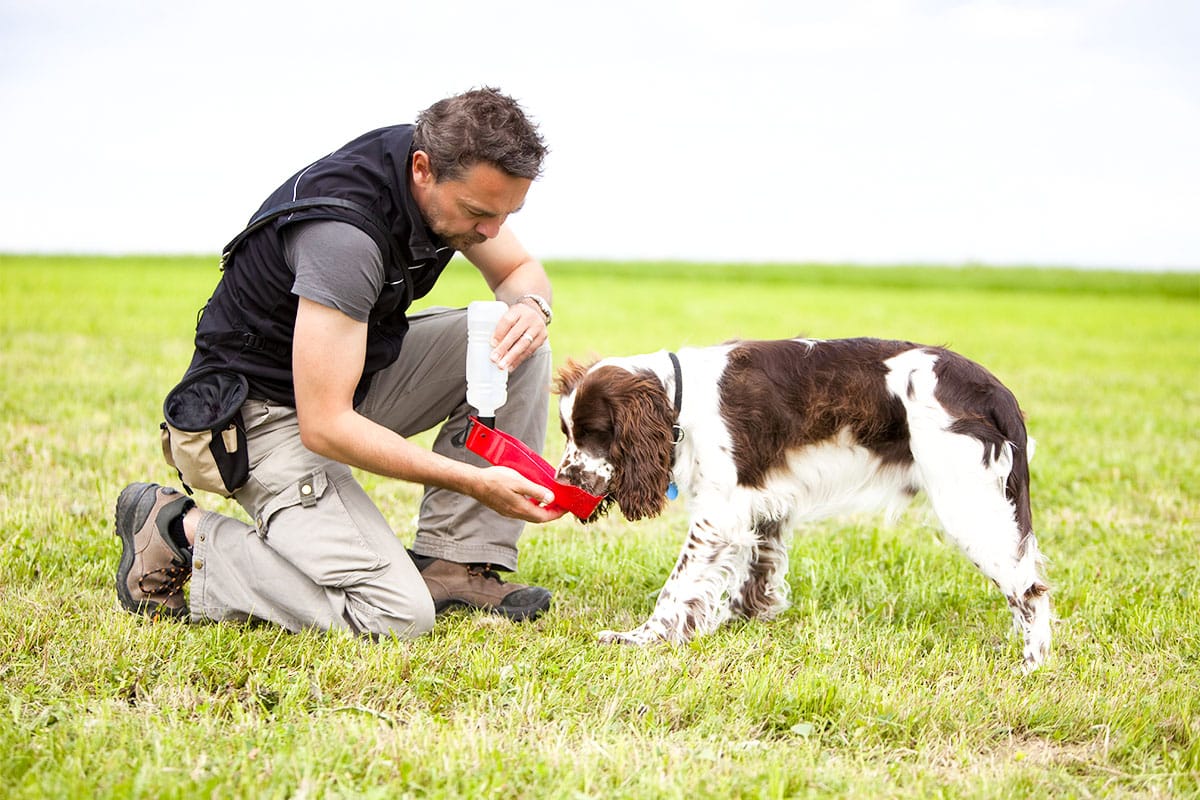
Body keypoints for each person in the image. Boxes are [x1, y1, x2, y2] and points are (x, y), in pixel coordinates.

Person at [114, 87, 566, 639]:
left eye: (506, 213)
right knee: (396, 614)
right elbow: (325, 425)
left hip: (344, 380)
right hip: (254, 421)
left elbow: (518, 268)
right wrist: (474, 482)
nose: (492, 231)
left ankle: (453, 565)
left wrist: (531, 306)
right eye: (478, 213)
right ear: (423, 170)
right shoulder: (344, 239)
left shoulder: (439, 171)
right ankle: (180, 536)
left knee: (517, 345)